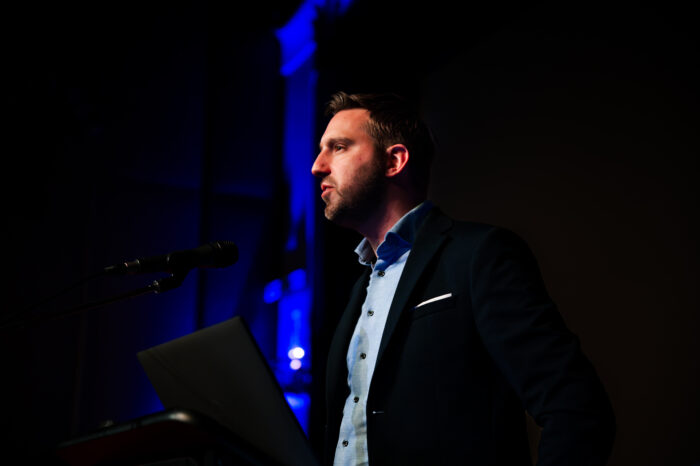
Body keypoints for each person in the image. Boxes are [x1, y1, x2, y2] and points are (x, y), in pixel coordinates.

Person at [311, 91, 615, 465]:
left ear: (394, 160)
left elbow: (575, 408)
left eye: (338, 147)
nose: (317, 166)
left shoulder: (479, 255)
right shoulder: (361, 287)